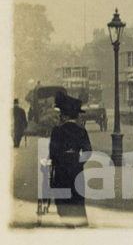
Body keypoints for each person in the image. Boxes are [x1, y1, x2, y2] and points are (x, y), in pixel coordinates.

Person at [49, 92, 91, 223]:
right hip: (76, 168)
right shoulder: (81, 131)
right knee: (77, 195)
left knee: (62, 195)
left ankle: (66, 220)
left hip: (61, 168)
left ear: (64, 115)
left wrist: (57, 162)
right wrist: (78, 163)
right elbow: (88, 151)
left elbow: (53, 152)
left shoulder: (57, 130)